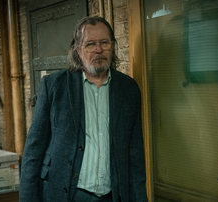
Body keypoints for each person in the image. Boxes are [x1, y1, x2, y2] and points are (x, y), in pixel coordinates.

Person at [20, 16, 148, 202]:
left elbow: (135, 155)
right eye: (90, 44)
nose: (98, 49)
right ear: (78, 50)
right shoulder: (54, 86)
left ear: (112, 46)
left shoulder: (129, 89)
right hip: (64, 194)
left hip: (111, 196)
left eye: (104, 42)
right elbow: (34, 149)